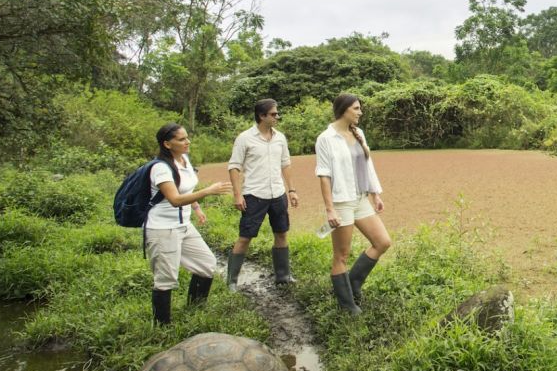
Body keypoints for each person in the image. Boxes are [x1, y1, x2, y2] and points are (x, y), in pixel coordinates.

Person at [146, 123, 232, 325]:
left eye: (187, 137)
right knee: (166, 278)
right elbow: (175, 199)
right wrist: (207, 191)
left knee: (206, 265)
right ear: (167, 144)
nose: (188, 142)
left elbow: (185, 189)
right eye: (182, 139)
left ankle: (196, 310)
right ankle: (162, 326)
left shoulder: (184, 159)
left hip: (183, 224)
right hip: (162, 228)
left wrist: (196, 208)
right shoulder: (161, 168)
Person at [315, 93, 391, 314]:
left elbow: (368, 166)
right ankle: (347, 306)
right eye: (356, 108)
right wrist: (330, 209)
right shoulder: (326, 139)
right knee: (341, 255)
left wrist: (375, 194)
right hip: (341, 201)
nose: (360, 112)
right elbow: (324, 175)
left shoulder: (358, 133)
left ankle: (353, 283)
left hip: (360, 198)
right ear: (344, 109)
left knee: (382, 242)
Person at [225, 98, 300, 291]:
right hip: (254, 195)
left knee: (281, 233)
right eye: (274, 114)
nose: (277, 117)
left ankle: (283, 276)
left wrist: (291, 190)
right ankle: (232, 281)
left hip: (277, 194)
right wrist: (237, 194)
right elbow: (234, 166)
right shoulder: (245, 138)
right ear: (262, 115)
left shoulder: (280, 138)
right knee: (245, 236)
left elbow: (286, 163)